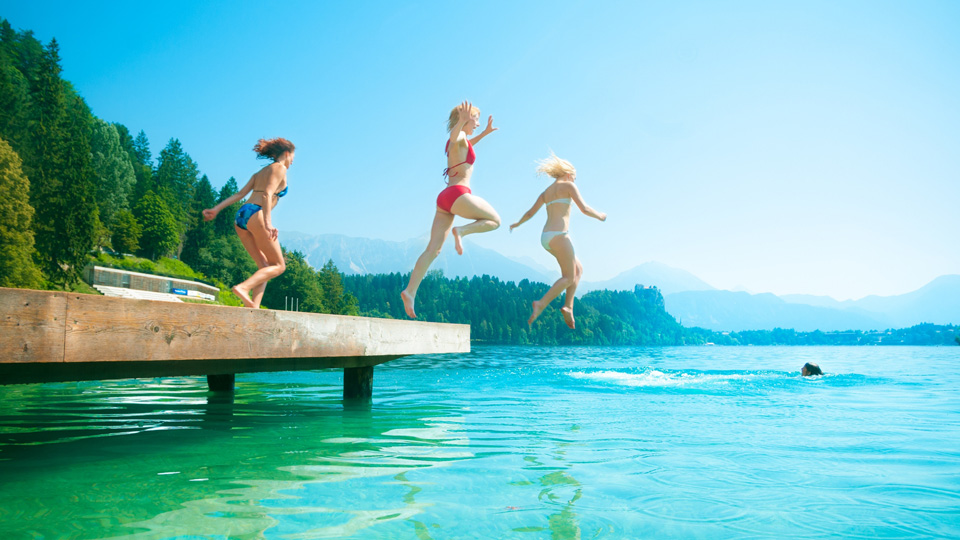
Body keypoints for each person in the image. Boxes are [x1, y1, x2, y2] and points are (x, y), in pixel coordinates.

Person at [401, 101, 501, 318]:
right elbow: (458, 136)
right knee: (495, 221)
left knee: (433, 250)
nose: (478, 123)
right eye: (476, 119)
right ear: (465, 118)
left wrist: (484, 133)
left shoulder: (460, 142)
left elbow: (466, 142)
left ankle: (410, 292)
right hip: (458, 194)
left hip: (444, 200)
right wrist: (463, 122)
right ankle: (462, 231)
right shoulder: (457, 137)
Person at [510, 153, 606, 328]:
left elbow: (531, 212)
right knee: (569, 277)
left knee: (578, 269)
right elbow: (584, 208)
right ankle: (541, 303)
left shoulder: (546, 192)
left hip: (546, 238)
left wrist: (518, 223)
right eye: (574, 178)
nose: (574, 182)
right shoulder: (569, 185)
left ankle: (569, 306)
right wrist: (600, 216)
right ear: (569, 174)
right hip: (560, 235)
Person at [202, 138, 294, 308]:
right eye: (293, 156)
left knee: (264, 267)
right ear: (287, 153)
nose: (292, 161)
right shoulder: (280, 168)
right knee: (279, 266)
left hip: (242, 215)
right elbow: (267, 194)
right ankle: (243, 288)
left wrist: (216, 209)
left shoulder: (259, 173)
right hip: (257, 214)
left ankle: (253, 306)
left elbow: (239, 195)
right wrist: (268, 223)